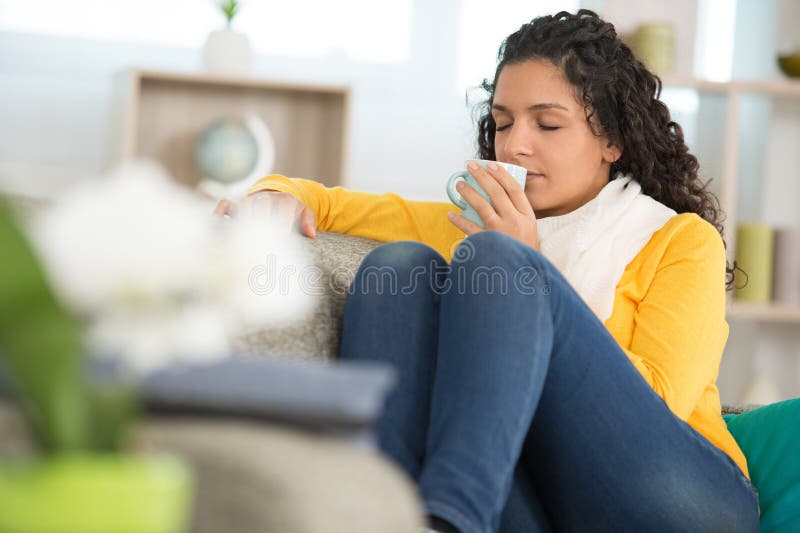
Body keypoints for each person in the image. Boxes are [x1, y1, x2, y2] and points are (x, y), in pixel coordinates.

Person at [215, 10, 759, 533]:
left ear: (612, 140)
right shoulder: (479, 225)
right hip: (548, 497)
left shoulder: (682, 241)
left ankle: (454, 517)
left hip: (683, 499)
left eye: (547, 123)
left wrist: (531, 273)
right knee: (401, 268)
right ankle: (396, 514)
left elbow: (656, 409)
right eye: (502, 123)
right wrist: (273, 193)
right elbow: (337, 206)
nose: (515, 145)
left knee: (497, 262)